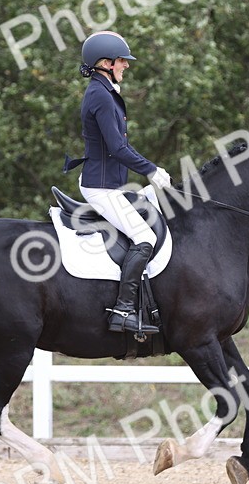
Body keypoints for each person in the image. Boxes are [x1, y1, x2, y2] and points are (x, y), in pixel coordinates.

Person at [65, 30, 172, 334]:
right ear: (105, 62)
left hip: (111, 183)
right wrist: (151, 170)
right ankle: (123, 310)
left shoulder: (105, 91)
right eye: (122, 61)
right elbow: (118, 148)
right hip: (101, 188)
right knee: (145, 238)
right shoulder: (100, 95)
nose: (126, 65)